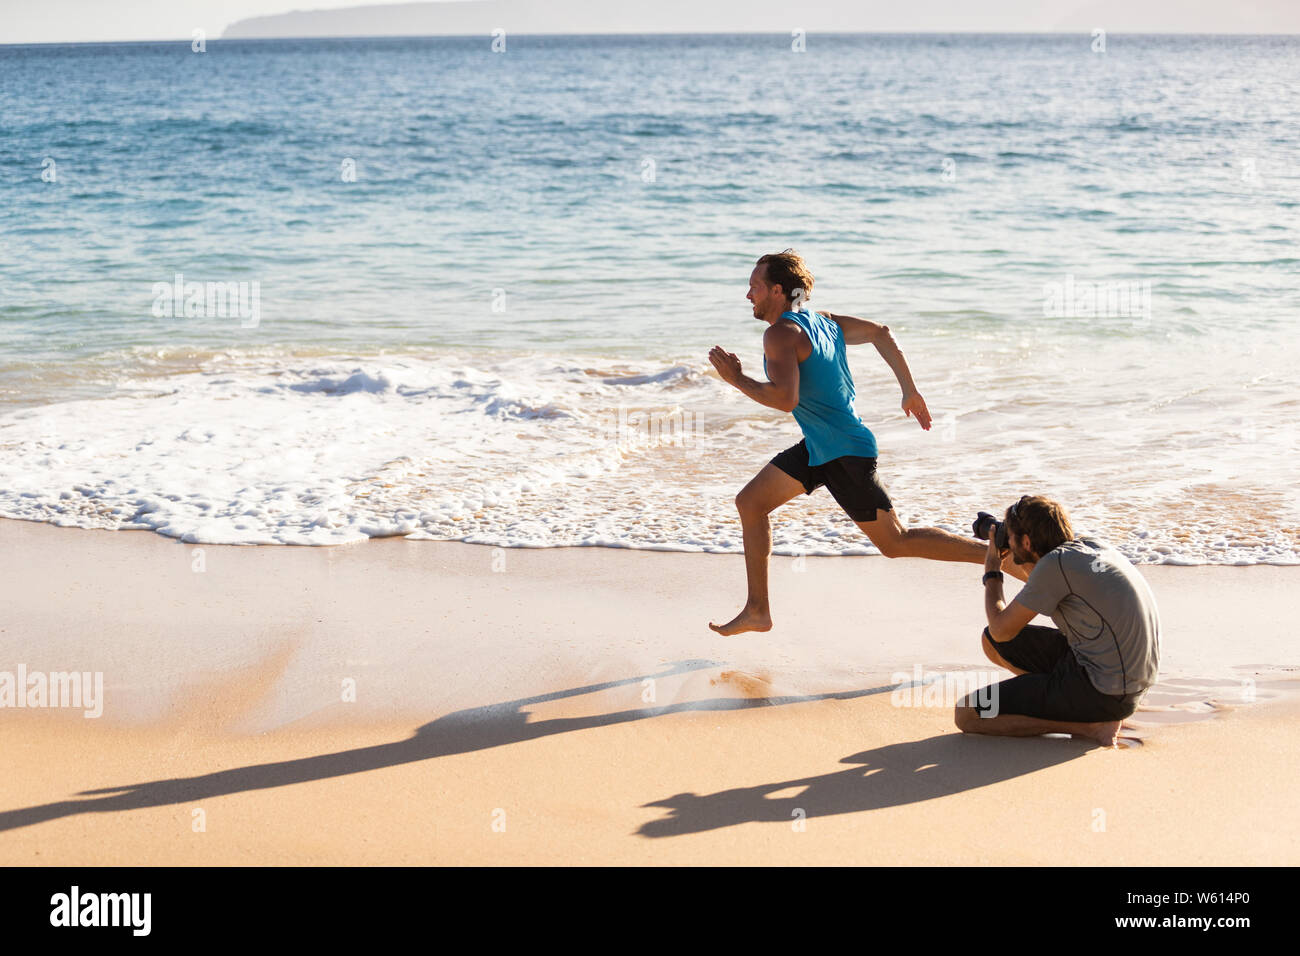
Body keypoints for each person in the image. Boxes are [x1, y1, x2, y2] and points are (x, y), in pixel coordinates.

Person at [707, 248, 1017, 636]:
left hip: (843, 452)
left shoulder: (781, 333)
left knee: (895, 541)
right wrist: (910, 390)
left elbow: (785, 400)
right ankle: (757, 610)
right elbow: (880, 333)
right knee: (750, 503)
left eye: (754, 286)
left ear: (777, 291)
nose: (747, 295)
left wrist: (736, 379)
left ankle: (1006, 558)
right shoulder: (824, 322)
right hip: (822, 446)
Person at [954, 495, 1162, 747]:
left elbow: (1001, 629)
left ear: (1027, 542)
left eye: (1011, 536)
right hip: (1124, 680)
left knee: (967, 713)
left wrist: (992, 570)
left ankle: (1090, 726)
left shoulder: (1054, 566)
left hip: (1106, 692)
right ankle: (1057, 701)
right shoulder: (1088, 548)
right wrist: (1012, 544)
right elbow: (1000, 635)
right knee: (991, 641)